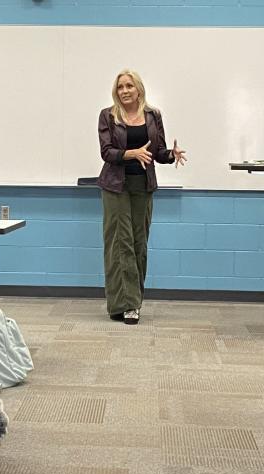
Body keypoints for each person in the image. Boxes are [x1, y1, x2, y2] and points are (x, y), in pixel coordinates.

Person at [97, 69, 187, 325]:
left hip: (142, 185)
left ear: (138, 89)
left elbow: (157, 152)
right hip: (115, 186)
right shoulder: (108, 116)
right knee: (119, 243)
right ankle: (124, 305)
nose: (124, 91)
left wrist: (171, 154)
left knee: (139, 243)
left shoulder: (153, 115)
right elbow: (107, 152)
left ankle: (131, 301)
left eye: (129, 86)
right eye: (120, 87)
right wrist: (132, 154)